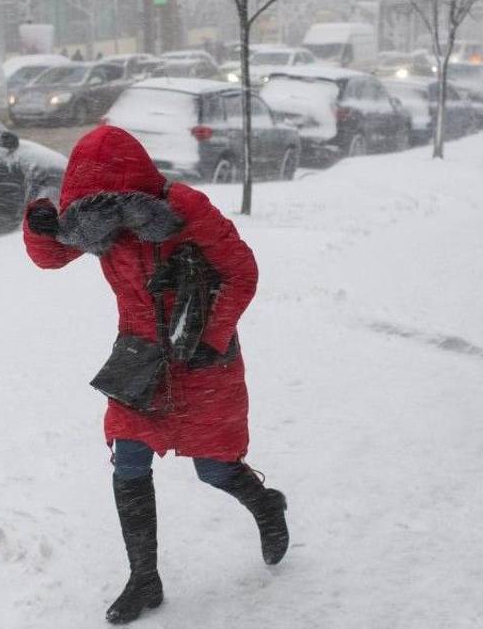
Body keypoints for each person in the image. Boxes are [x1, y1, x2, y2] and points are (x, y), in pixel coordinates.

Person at [22, 125, 289, 624]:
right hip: (139, 357)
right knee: (128, 461)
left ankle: (267, 506)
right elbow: (52, 255)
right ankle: (144, 578)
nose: (111, 227)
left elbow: (242, 271)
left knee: (212, 468)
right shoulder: (96, 221)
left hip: (203, 357)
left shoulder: (185, 207)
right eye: (97, 212)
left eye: (119, 209)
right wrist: (38, 225)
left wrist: (211, 336)